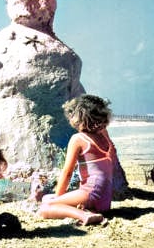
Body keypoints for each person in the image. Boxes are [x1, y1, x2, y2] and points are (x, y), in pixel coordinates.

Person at [38, 94, 117, 226]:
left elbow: (67, 173)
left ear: (79, 116)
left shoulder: (78, 139)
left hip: (91, 192)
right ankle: (87, 210)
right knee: (48, 198)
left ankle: (84, 215)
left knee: (46, 207)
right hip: (105, 201)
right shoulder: (104, 135)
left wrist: (58, 199)